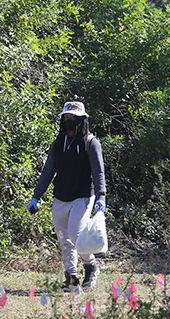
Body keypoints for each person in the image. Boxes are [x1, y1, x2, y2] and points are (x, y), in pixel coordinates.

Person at [28, 101, 106, 291]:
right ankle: (71, 278)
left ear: (81, 120)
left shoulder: (91, 143)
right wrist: (36, 196)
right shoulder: (57, 144)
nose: (69, 120)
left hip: (83, 196)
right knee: (64, 239)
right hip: (60, 198)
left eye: (73, 117)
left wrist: (101, 197)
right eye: (66, 117)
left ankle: (90, 266)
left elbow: (98, 172)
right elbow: (47, 172)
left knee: (77, 236)